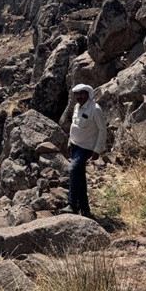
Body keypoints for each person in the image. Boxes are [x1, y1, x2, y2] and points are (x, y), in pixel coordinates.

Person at [60, 83, 106, 218]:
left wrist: (97, 149)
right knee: (79, 176)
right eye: (77, 94)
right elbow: (74, 126)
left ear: (88, 94)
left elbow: (102, 130)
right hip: (75, 145)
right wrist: (69, 142)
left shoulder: (95, 109)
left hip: (86, 147)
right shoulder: (76, 107)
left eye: (82, 94)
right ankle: (85, 209)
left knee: (73, 170)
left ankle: (72, 204)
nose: (79, 96)